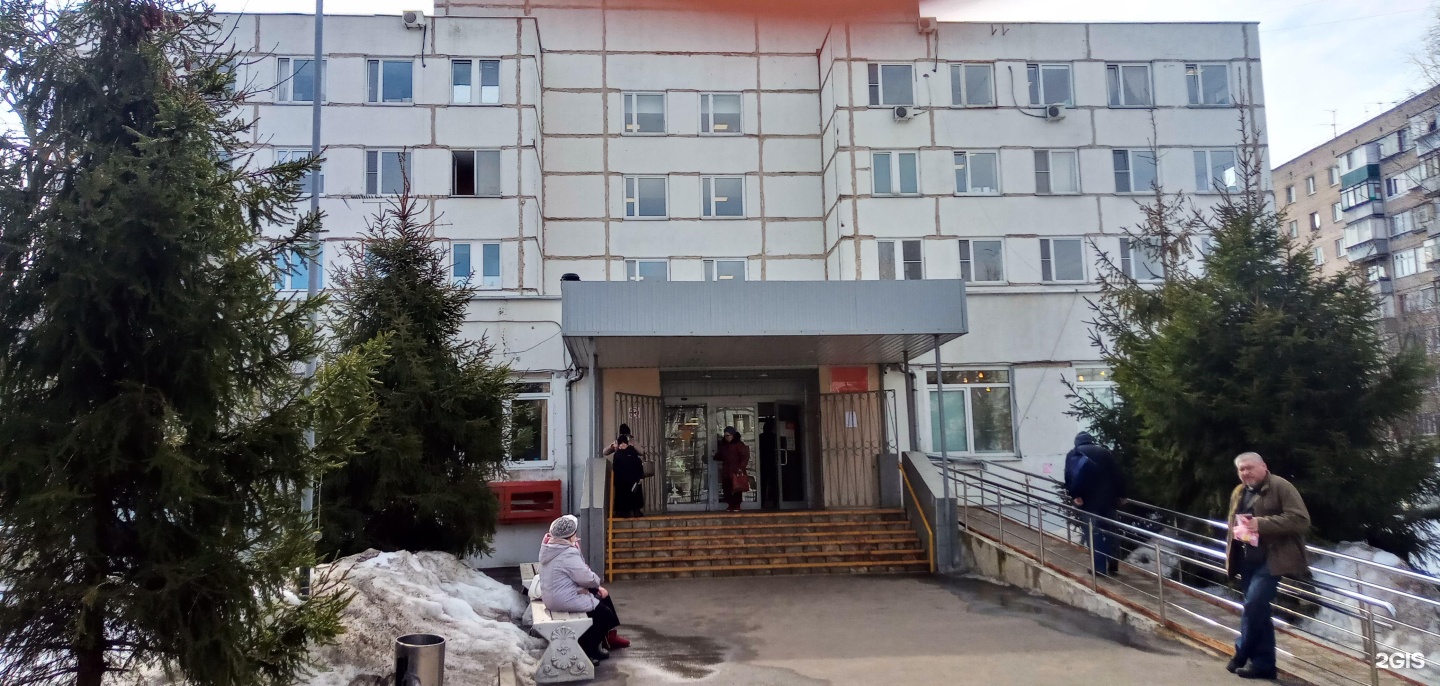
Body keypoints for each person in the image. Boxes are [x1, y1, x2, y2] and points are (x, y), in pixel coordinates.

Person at [1224, 452, 1310, 681]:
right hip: (1247, 558)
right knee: (1258, 611)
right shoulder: (1239, 491)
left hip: (1273, 559)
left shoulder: (1281, 486)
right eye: (1241, 469)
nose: (1246, 473)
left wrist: (1261, 524)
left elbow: (1301, 520)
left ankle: (1242, 652)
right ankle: (1263, 665)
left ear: (1263, 466)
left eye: (1250, 467)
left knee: (1254, 604)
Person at [537, 515, 631, 663]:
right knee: (605, 615)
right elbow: (588, 579)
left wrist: (595, 587)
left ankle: (610, 637)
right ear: (570, 536)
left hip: (555, 596)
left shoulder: (551, 549)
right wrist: (597, 584)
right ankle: (588, 650)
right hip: (564, 599)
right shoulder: (567, 553)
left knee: (603, 595)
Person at [1064, 432, 1126, 576]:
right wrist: (1122, 495)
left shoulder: (1074, 454)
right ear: (1091, 441)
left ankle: (1099, 568)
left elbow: (1070, 477)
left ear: (1077, 442)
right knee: (1111, 530)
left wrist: (1075, 495)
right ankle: (1113, 562)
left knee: (1094, 533)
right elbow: (1117, 475)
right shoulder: (1105, 453)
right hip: (1108, 500)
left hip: (1088, 502)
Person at [713, 426, 750, 512]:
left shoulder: (739, 444)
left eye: (728, 435)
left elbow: (744, 457)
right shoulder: (724, 445)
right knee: (727, 488)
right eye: (725, 435)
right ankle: (730, 504)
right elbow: (721, 456)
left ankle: (737, 504)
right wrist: (715, 456)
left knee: (737, 488)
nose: (726, 437)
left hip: (736, 470)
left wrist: (741, 467)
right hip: (727, 470)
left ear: (733, 435)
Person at [610, 435, 646, 518]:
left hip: (633, 479)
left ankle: (636, 511)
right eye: (621, 443)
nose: (623, 445)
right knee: (623, 496)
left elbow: (638, 465)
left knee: (635, 495)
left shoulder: (632, 452)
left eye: (624, 443)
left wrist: (640, 477)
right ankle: (624, 512)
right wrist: (616, 481)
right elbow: (615, 468)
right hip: (622, 481)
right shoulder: (617, 454)